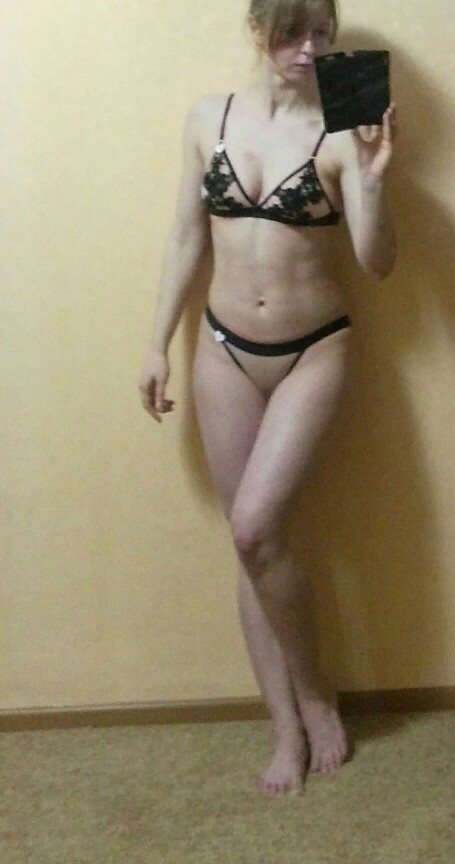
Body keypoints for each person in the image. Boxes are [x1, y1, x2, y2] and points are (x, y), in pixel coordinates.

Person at [138, 0, 397, 797]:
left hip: (313, 349)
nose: (309, 49)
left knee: (254, 528)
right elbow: (185, 236)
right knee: (251, 545)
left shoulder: (346, 119)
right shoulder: (206, 117)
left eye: (322, 34)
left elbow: (377, 262)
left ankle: (316, 697)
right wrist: (155, 344)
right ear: (258, 29)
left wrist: (373, 180)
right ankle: (284, 723)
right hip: (222, 349)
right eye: (293, 32)